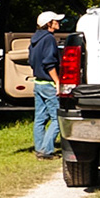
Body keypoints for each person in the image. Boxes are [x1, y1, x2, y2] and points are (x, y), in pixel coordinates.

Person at [29, 11, 66, 158]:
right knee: (57, 119)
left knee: (40, 118)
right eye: (55, 20)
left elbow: (32, 61)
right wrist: (57, 82)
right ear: (49, 23)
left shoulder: (35, 39)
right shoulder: (49, 39)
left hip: (38, 83)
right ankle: (46, 151)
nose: (58, 22)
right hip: (49, 84)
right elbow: (49, 63)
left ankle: (39, 148)